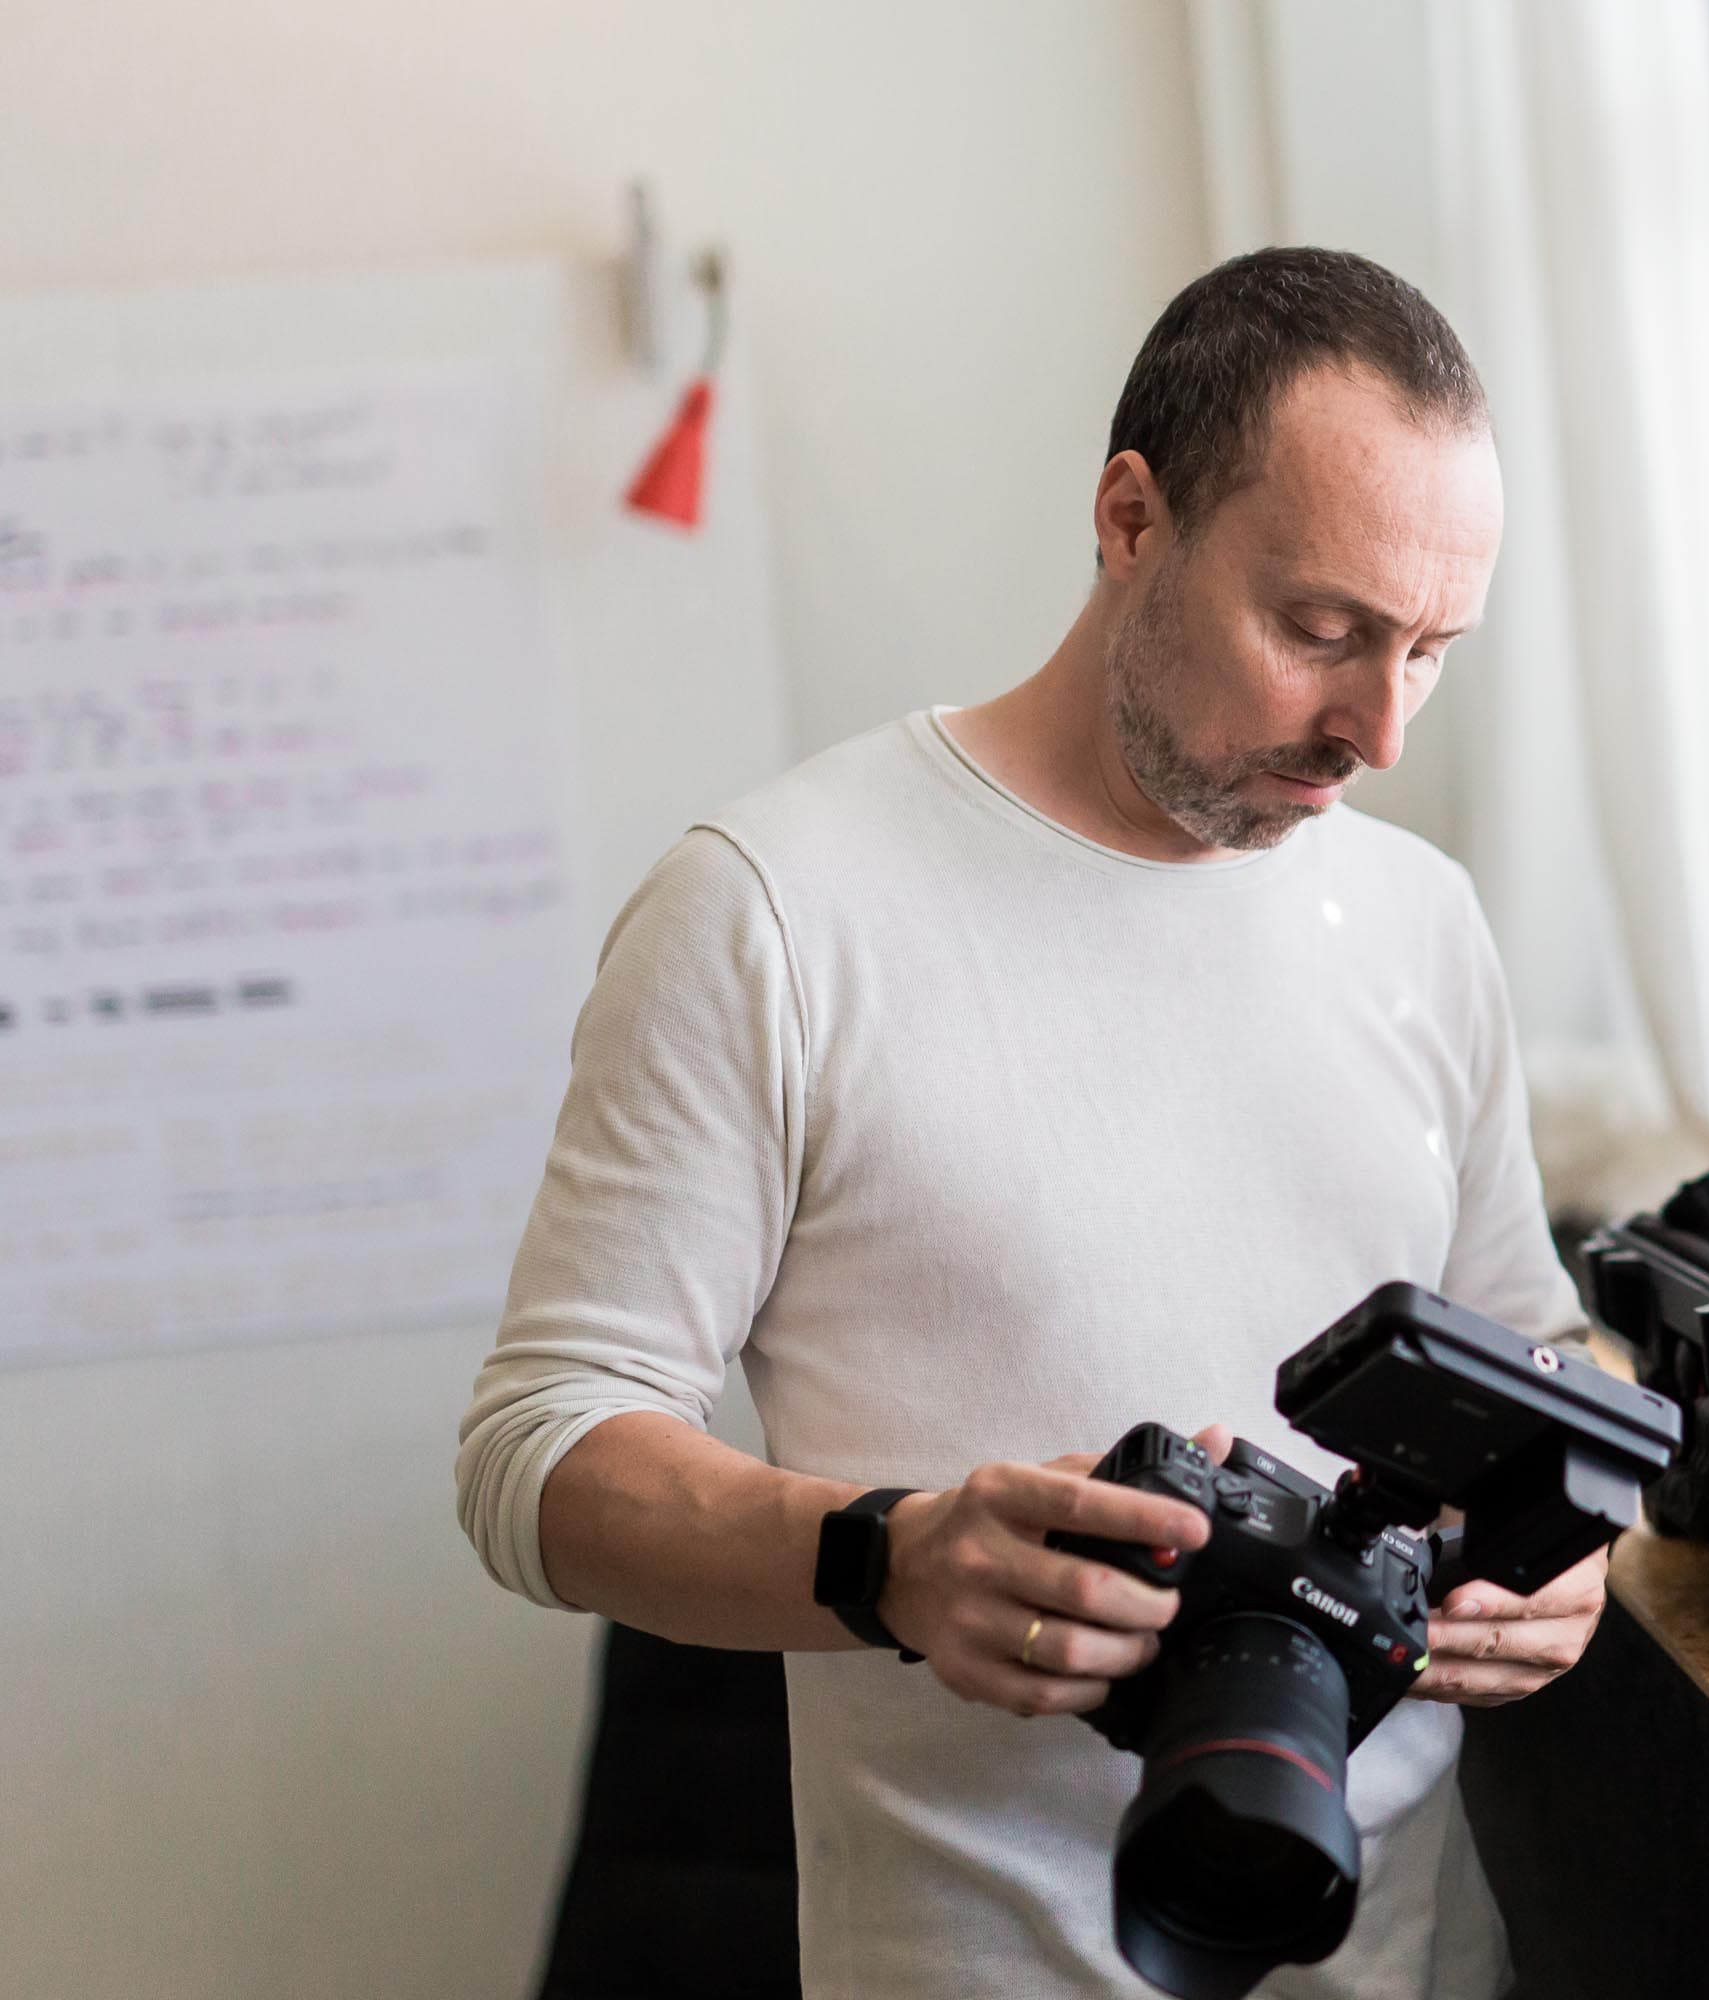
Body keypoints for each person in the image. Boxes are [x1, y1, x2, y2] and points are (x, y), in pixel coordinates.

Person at [457, 247, 1603, 1999]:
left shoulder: (1420, 918)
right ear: (1133, 519)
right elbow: (536, 1454)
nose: (1374, 727)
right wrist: (884, 1560)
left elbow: (1531, 1340)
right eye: (1321, 631)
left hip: (1418, 1960)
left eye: (1430, 652)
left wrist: (1565, 1546)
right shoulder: (772, 912)